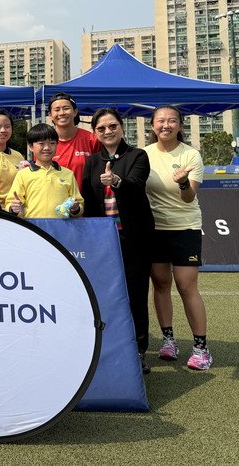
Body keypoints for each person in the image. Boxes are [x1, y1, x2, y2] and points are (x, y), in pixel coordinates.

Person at [81, 108, 155, 373]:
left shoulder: (138, 155)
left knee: (136, 294)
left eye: (112, 126)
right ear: (95, 133)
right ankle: (106, 348)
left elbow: (136, 185)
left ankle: (138, 350)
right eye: (101, 128)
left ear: (122, 127)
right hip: (103, 241)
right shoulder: (92, 161)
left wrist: (116, 180)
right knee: (104, 295)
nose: (108, 131)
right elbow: (88, 200)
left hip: (133, 238)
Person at [143, 105, 211, 371]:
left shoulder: (190, 155)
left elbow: (188, 197)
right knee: (160, 284)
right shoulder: (144, 154)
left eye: (172, 121)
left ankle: (201, 349)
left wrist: (183, 181)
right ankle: (169, 341)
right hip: (154, 229)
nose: (166, 125)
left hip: (185, 228)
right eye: (161, 121)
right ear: (153, 125)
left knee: (185, 286)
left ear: (180, 126)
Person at [7, 123, 84, 218]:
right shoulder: (22, 175)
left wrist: (75, 208)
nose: (47, 148)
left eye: (52, 143)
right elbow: (10, 203)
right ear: (31, 146)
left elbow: (79, 203)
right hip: (32, 225)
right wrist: (13, 208)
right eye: (41, 144)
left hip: (61, 226)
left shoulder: (68, 174)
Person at [48, 91, 100, 188]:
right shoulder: (44, 144)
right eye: (57, 109)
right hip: (55, 197)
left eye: (66, 108)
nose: (62, 113)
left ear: (75, 112)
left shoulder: (92, 140)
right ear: (50, 115)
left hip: (85, 197)